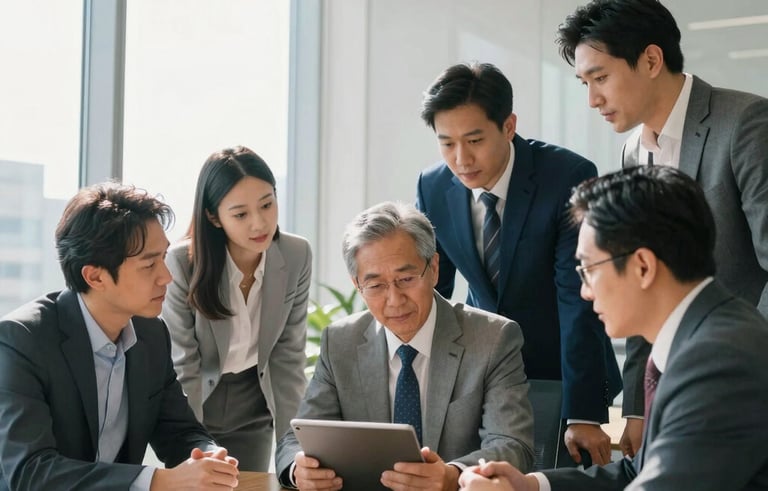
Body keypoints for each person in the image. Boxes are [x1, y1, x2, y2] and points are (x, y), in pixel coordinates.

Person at [457, 165, 768, 490]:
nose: (584, 291)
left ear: (643, 266)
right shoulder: (699, 338)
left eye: (589, 269)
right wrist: (529, 486)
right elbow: (640, 472)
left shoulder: (718, 360)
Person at [556, 0, 768, 457]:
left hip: (743, 377)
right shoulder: (634, 152)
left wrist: (748, 361)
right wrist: (635, 405)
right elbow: (640, 283)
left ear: (651, 60)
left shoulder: (746, 125)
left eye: (600, 77)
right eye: (584, 83)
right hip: (670, 385)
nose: (592, 98)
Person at [416, 61, 621, 465]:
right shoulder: (433, 186)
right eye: (447, 143)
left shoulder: (567, 175)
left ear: (508, 126)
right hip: (483, 375)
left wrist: (581, 413)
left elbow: (577, 298)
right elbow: (433, 290)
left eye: (474, 140)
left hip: (559, 371)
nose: (461, 159)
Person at [275, 201, 534, 490]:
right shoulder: (340, 342)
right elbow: (295, 439)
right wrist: (299, 471)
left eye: (406, 279)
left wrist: (453, 475)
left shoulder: (493, 338)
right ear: (357, 284)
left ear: (434, 268)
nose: (394, 300)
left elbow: (512, 445)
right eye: (376, 285)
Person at [0, 182, 240, 490]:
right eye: (149, 264)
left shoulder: (151, 333)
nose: (166, 276)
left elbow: (179, 432)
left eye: (164, 258)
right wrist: (156, 481)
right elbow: (31, 472)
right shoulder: (21, 341)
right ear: (95, 276)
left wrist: (209, 457)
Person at [162, 146, 311, 471]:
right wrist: (191, 445)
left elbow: (288, 356)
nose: (260, 223)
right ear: (214, 217)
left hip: (255, 401)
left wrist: (295, 452)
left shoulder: (296, 254)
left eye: (267, 205)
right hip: (196, 397)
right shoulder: (181, 263)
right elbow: (183, 362)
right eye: (241, 214)